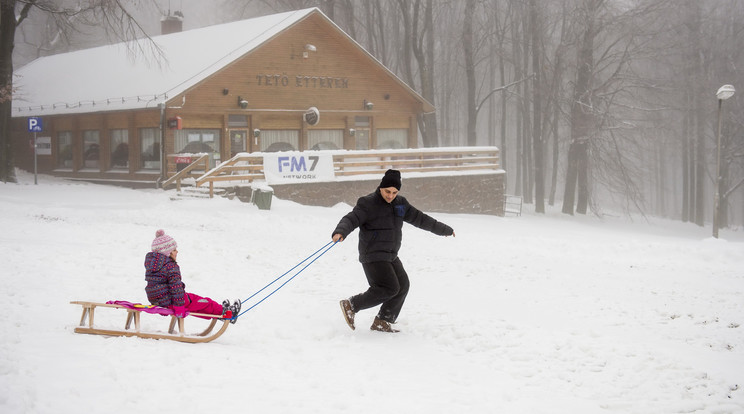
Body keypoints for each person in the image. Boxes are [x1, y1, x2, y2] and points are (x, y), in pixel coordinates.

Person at [332, 169, 455, 333]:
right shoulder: (368, 203)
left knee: (403, 285)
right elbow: (351, 218)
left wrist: (443, 229)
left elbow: (420, 219)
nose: (390, 195)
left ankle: (383, 321)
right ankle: (351, 305)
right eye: (387, 191)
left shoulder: (400, 204)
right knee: (389, 288)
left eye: (394, 192)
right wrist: (341, 231)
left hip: (390, 254)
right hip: (372, 254)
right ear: (381, 187)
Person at [144, 229, 240, 322]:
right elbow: (176, 287)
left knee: (195, 304)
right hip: (172, 301)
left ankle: (219, 310)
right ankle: (226, 312)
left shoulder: (153, 265)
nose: (177, 252)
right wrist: (179, 306)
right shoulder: (170, 266)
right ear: (167, 253)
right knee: (203, 302)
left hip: (159, 301)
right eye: (174, 250)